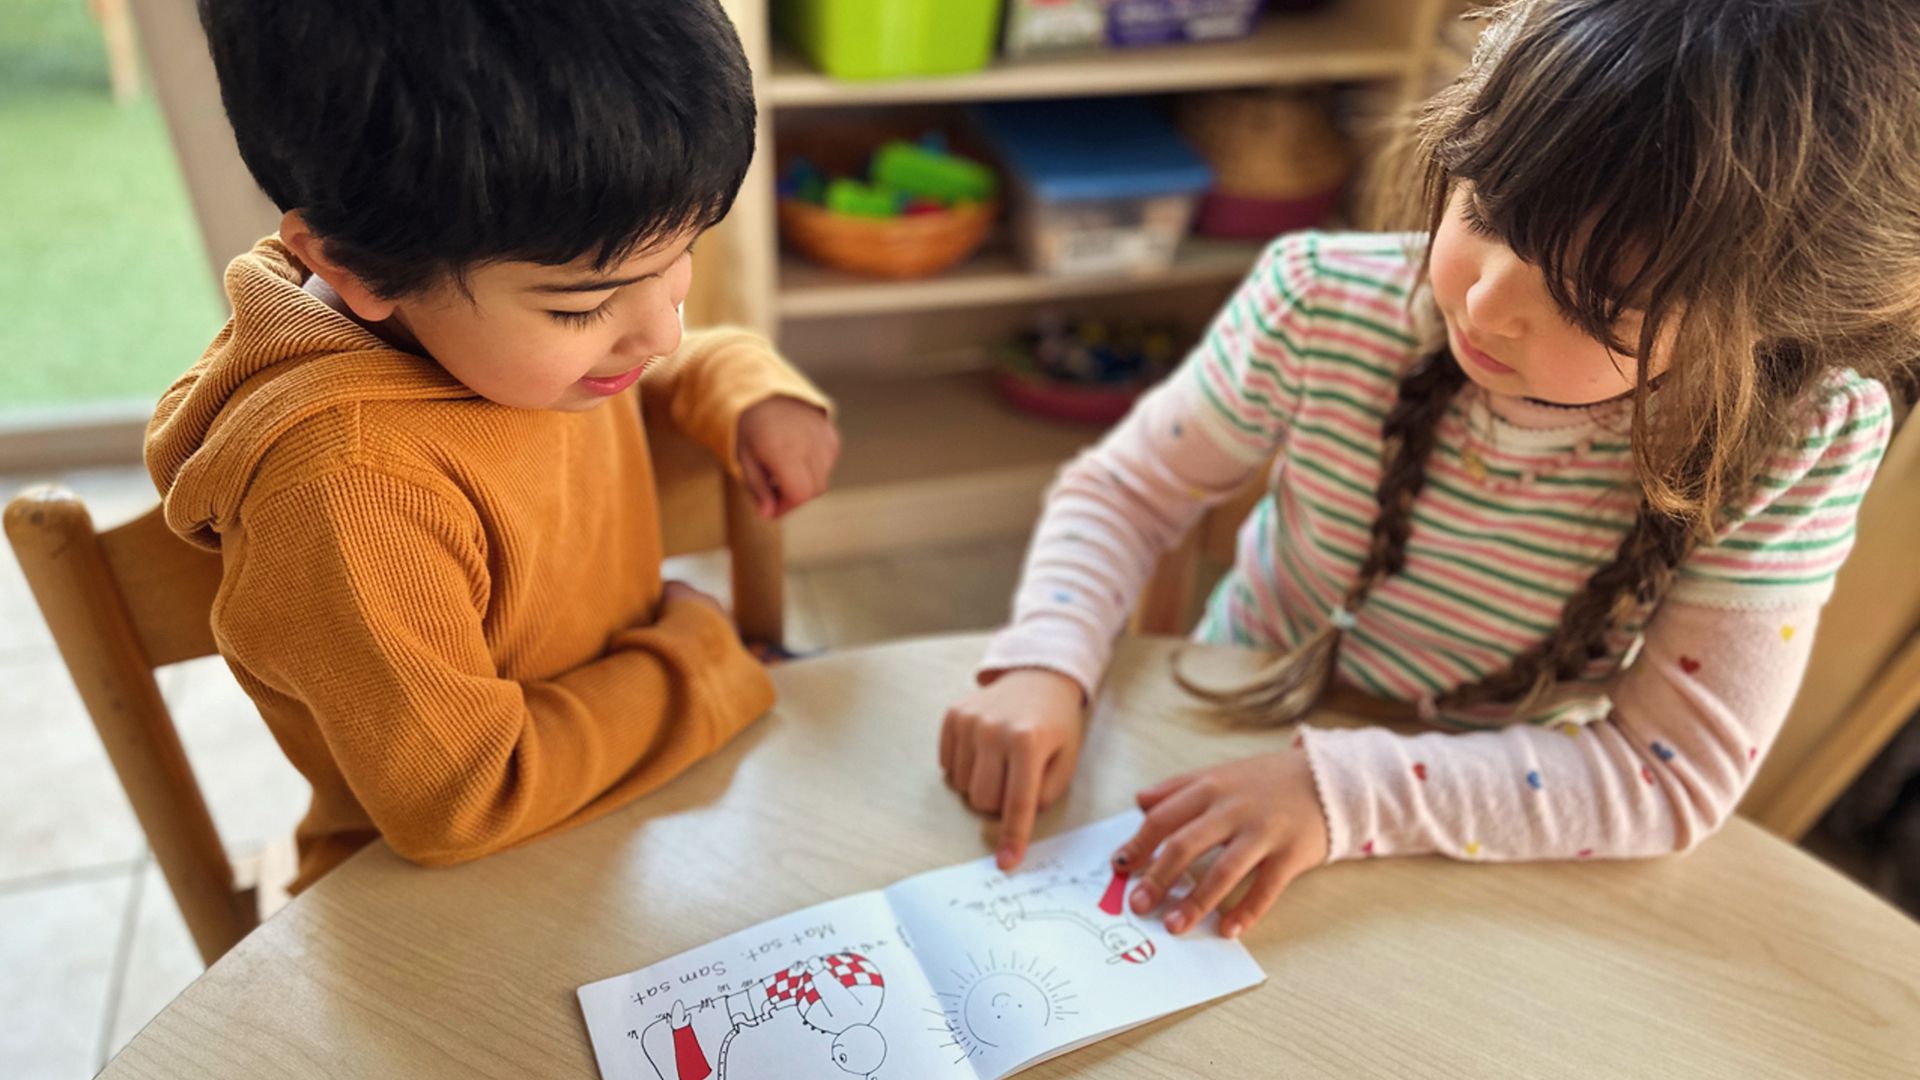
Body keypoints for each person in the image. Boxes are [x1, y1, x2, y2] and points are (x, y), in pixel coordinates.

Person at [940, 0, 1919, 939]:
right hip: (1228, 724)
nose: (1488, 307)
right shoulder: (1321, 300)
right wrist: (1045, 655)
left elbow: (1666, 777)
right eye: (1488, 209)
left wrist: (1338, 792)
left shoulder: (1803, 436)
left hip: (1482, 816)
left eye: (1598, 301)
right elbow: (1126, 489)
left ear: (1759, 323)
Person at [147, 0, 839, 892]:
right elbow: (465, 798)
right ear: (353, 270)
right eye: (583, 305)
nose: (661, 333)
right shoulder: (346, 489)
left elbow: (616, 378)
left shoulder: (496, 330)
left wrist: (742, 387)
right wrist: (706, 659)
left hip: (618, 807)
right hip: (440, 897)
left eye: (681, 257)